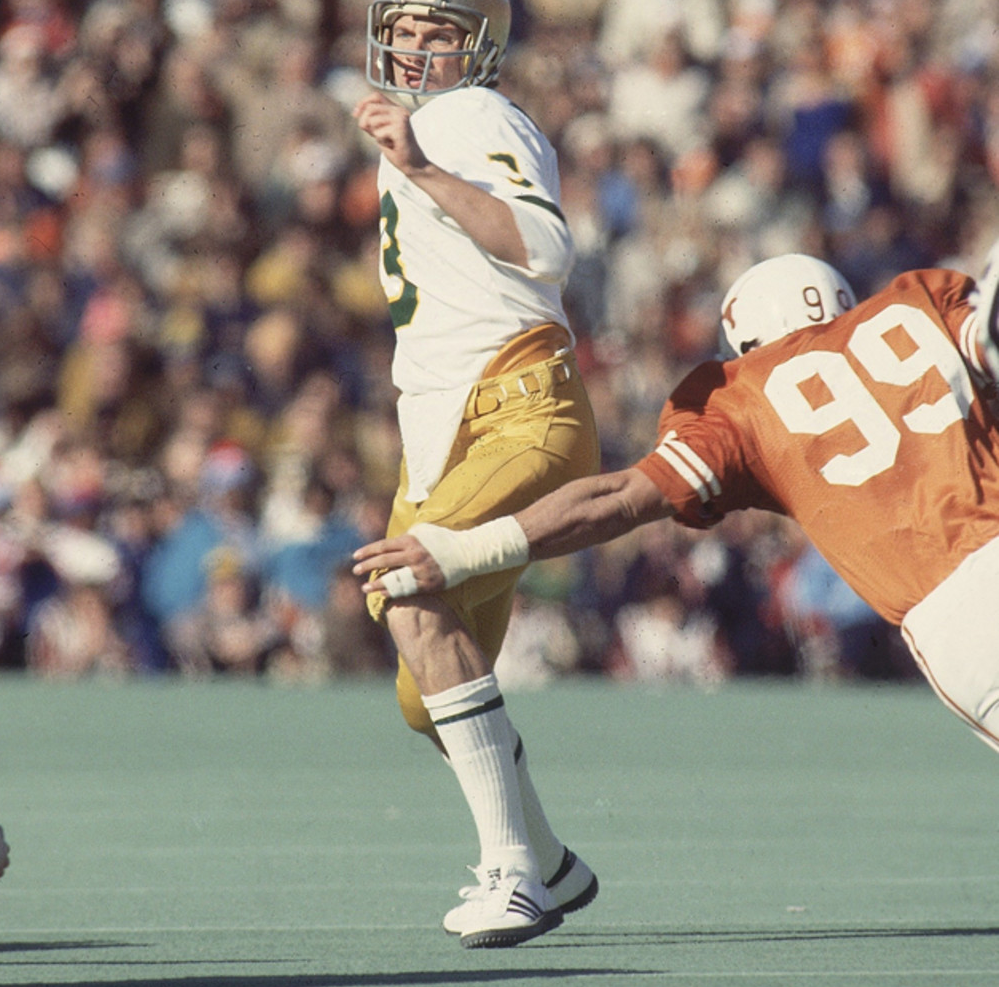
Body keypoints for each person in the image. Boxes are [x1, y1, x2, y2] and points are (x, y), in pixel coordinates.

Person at [355, 248, 999, 756]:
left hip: (954, 608)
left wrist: (466, 548)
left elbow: (620, 497)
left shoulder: (737, 397)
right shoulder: (918, 299)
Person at [350, 0, 601, 948]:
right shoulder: (426, 124)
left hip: (516, 408)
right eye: (402, 30)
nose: (413, 49)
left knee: (411, 591)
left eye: (437, 33)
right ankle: (546, 859)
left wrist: (418, 164)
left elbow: (544, 249)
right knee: (426, 701)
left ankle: (512, 878)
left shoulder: (468, 118)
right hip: (450, 435)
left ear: (477, 47)